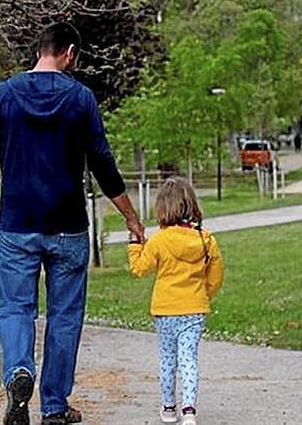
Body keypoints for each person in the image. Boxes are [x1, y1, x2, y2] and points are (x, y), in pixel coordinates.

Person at [0, 22, 144, 425]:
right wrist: (131, 219)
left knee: (15, 308)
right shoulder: (80, 98)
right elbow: (102, 161)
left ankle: (18, 371)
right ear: (68, 53)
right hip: (68, 227)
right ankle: (54, 406)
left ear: (39, 50)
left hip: (17, 226)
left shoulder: (4, 94)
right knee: (64, 316)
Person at [127, 177, 224, 425]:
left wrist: (134, 244)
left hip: (166, 310)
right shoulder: (205, 239)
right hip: (195, 309)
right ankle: (189, 410)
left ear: (162, 208)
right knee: (189, 358)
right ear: (191, 204)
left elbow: (139, 268)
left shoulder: (159, 240)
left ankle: (169, 408)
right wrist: (204, 295)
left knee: (169, 359)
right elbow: (216, 275)